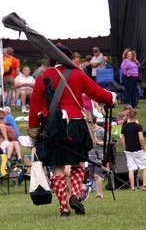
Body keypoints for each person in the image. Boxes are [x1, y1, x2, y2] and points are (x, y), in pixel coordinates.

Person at [28, 43, 116, 216]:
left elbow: (34, 107)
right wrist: (111, 98)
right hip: (76, 123)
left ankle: (64, 208)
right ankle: (75, 195)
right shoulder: (78, 74)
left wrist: (33, 129)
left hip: (52, 126)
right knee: (78, 164)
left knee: (58, 167)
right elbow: (97, 93)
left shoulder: (43, 76)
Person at [121, 110, 146, 191]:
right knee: (145, 166)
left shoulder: (124, 127)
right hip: (138, 150)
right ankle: (144, 185)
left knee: (131, 168)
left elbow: (122, 139)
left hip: (128, 150)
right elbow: (141, 138)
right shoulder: (138, 126)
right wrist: (144, 147)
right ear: (136, 116)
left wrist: (125, 147)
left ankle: (132, 187)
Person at [87, 115, 105, 199]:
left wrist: (97, 142)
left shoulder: (101, 131)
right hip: (90, 157)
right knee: (91, 177)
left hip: (99, 156)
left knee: (97, 175)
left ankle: (99, 194)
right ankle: (89, 193)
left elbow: (107, 143)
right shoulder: (88, 131)